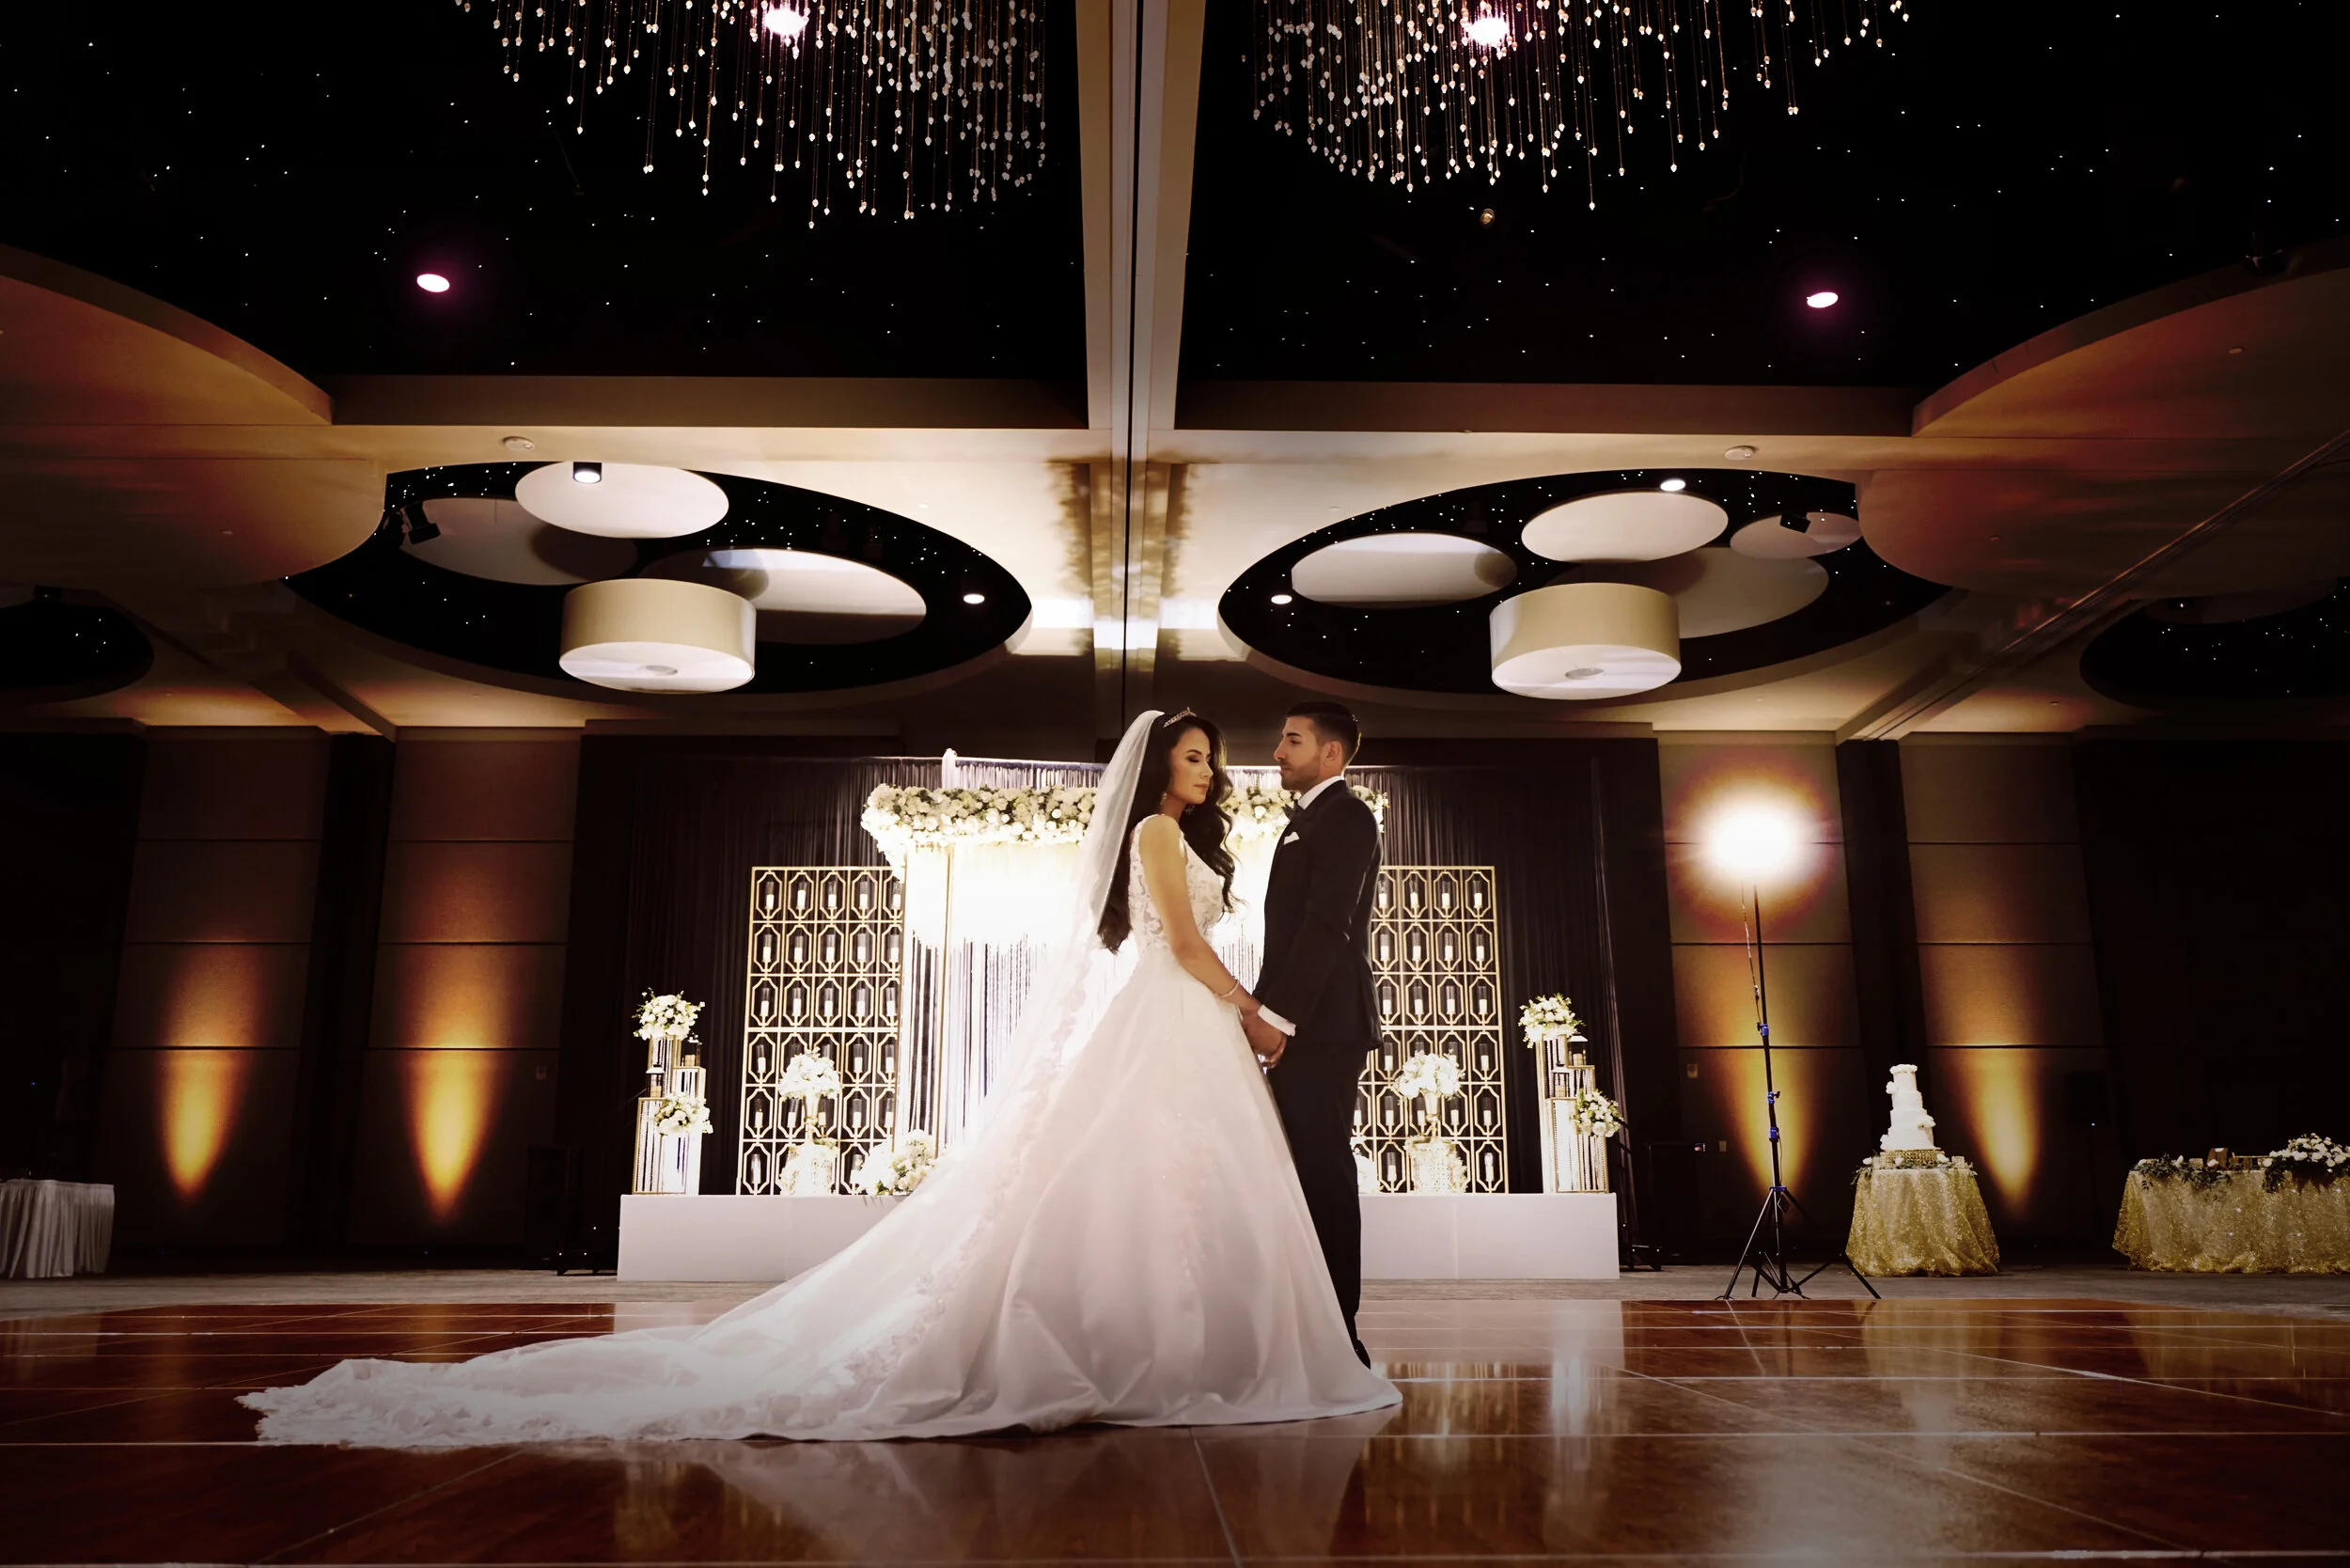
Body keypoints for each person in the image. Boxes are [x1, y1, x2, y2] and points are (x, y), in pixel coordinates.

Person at [242, 709, 1397, 1445]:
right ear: (1157, 766)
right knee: (1140, 1183)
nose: (1211, 769)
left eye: (1210, 757)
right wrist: (1254, 1010)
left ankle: (1189, 1340)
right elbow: (1188, 951)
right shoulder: (1153, 833)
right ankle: (1140, 1343)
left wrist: (1243, 1010)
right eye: (1192, 756)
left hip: (1189, 1028)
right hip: (1180, 1013)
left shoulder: (1207, 840)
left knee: (1181, 1192)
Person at [1243, 700, 1382, 1366]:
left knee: (1324, 1168)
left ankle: (1340, 1332)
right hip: (1301, 1018)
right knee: (1300, 1168)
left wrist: (1276, 1016)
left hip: (1324, 1024)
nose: (1278, 751)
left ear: (1332, 754)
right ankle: (1308, 1321)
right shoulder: (1309, 820)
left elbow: (1328, 925)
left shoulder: (1348, 817)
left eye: (1292, 740)